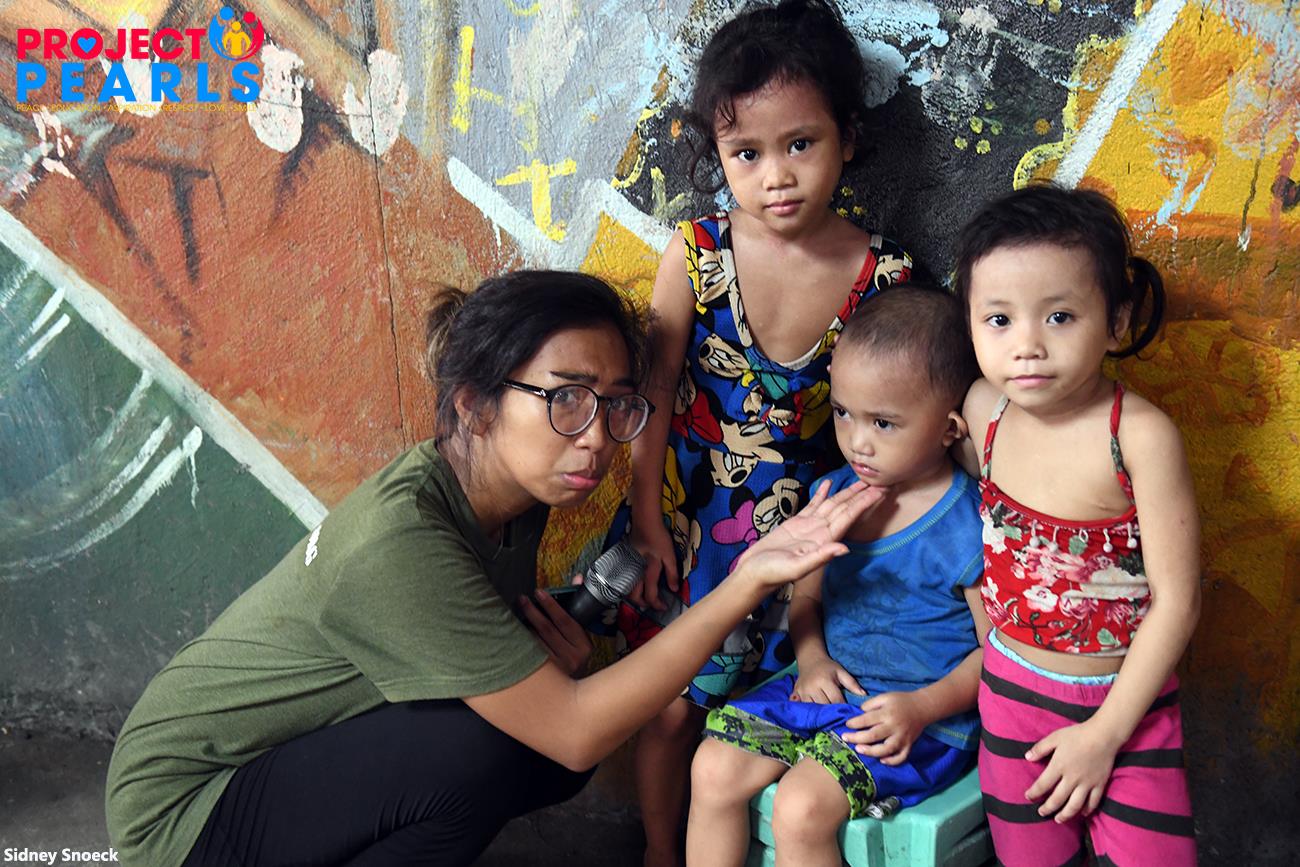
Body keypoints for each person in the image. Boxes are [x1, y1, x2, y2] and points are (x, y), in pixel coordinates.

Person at [103, 271, 884, 867]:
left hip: (280, 760)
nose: (596, 436)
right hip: (183, 812)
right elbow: (574, 732)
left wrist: (549, 668)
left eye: (614, 402)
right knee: (503, 748)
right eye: (566, 398)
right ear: (474, 404)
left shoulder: (511, 494)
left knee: (529, 750)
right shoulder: (402, 540)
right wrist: (746, 580)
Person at [615, 2, 913, 861]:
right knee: (669, 711)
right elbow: (655, 390)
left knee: (768, 718)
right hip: (689, 528)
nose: (775, 176)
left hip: (810, 546)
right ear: (717, 154)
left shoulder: (885, 279)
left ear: (847, 137)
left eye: (800, 144)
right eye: (746, 153)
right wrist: (645, 518)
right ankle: (659, 851)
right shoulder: (697, 254)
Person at [686, 286, 989, 866]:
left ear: (950, 428)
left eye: (884, 422)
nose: (857, 441)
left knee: (801, 807)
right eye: (845, 412)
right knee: (713, 768)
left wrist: (923, 708)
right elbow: (808, 599)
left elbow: (997, 652)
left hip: (916, 719)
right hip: (824, 689)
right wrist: (812, 660)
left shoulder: (969, 525)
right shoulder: (833, 496)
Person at [953, 184, 1200, 866]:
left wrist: (1104, 735)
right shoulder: (983, 411)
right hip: (1010, 698)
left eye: (1059, 316)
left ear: (1116, 322)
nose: (1027, 346)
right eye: (998, 319)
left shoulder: (1139, 437)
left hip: (1127, 709)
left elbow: (1178, 603)